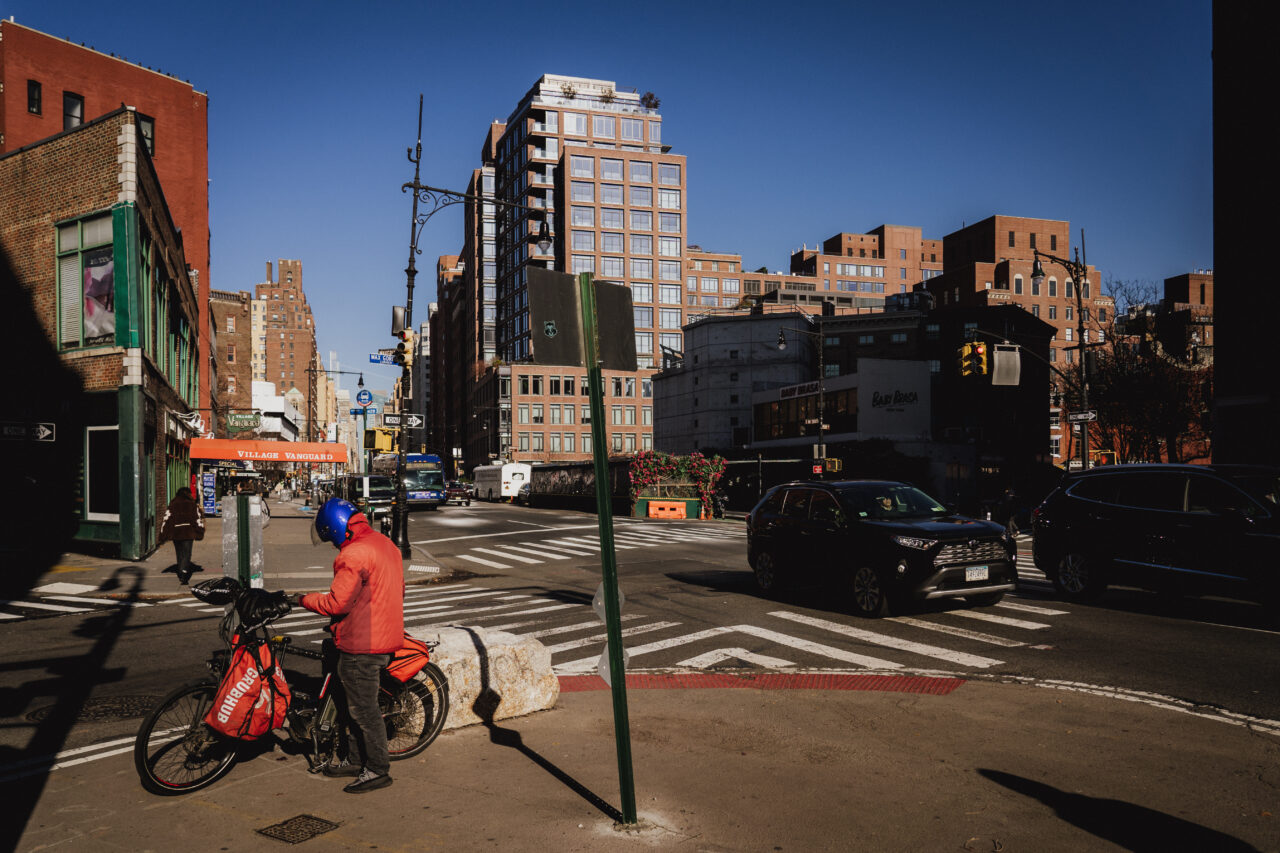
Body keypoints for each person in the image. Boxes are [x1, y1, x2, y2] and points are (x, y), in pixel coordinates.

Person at [294, 498, 405, 794]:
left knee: (363, 712)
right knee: (352, 707)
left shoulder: (353, 554)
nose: (332, 544)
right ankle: (355, 760)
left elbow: (337, 602)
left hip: (362, 645)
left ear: (339, 528)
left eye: (331, 536)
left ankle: (378, 769)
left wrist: (302, 599)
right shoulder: (385, 544)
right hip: (384, 637)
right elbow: (394, 591)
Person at [159, 487, 204, 585]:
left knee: (179, 553)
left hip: (176, 533)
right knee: (187, 553)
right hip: (188, 532)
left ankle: (180, 570)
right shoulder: (192, 504)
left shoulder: (173, 504)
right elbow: (197, 519)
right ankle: (184, 572)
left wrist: (163, 535)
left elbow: (166, 519)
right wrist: (200, 532)